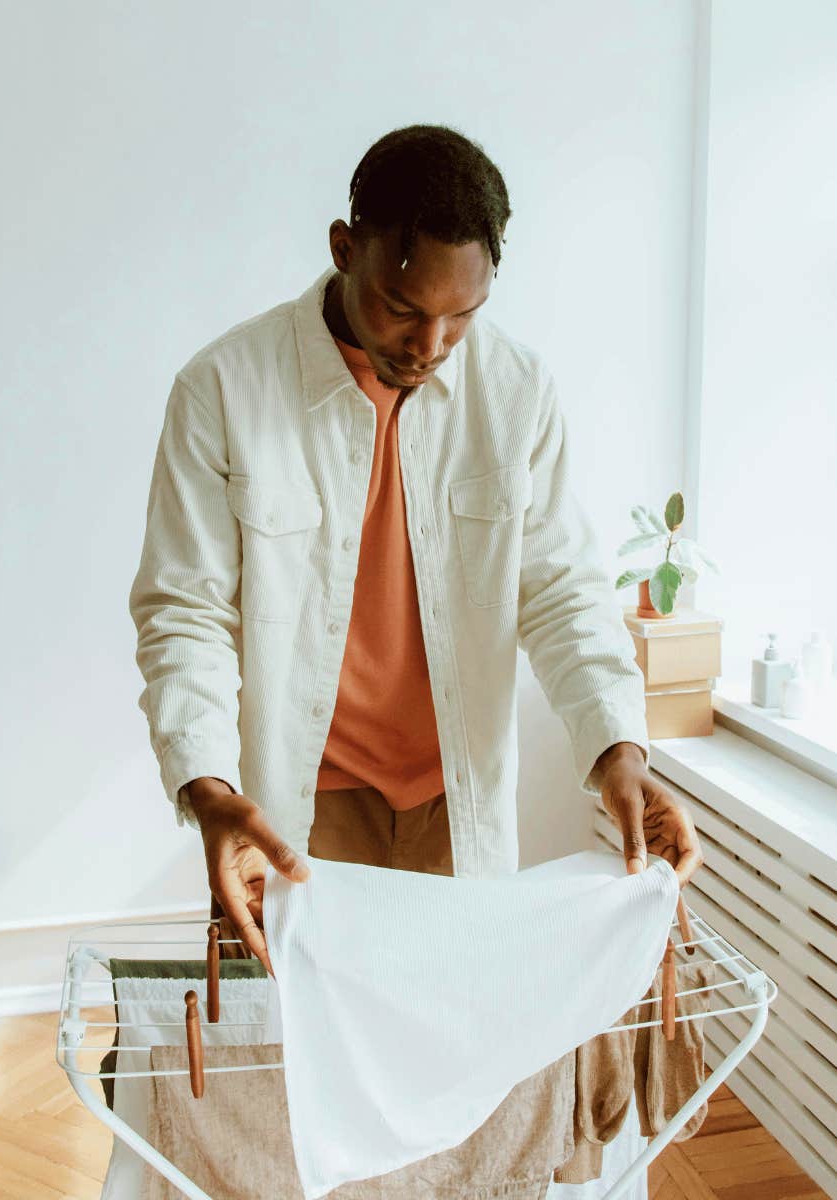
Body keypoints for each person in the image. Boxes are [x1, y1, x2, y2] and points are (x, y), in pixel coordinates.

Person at [129, 123, 703, 975]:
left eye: (461, 318)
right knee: (293, 1069)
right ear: (344, 248)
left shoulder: (516, 394)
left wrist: (618, 747)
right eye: (403, 309)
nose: (429, 347)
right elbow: (186, 616)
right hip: (293, 809)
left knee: (453, 1063)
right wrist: (209, 794)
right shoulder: (223, 389)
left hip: (455, 808)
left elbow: (562, 593)